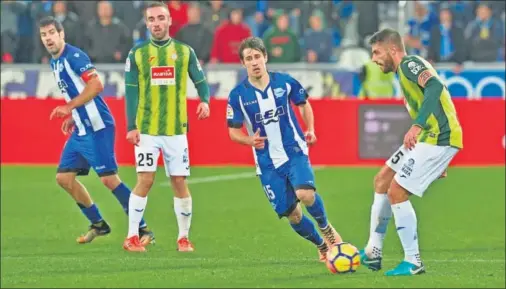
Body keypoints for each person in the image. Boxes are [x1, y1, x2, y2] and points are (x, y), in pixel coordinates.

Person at [227, 36, 343, 262]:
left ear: (265, 57)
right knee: (293, 214)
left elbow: (303, 103)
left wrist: (310, 128)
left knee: (305, 194)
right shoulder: (238, 96)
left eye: (257, 57)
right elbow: (233, 131)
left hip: (294, 150)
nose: (254, 62)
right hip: (267, 163)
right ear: (243, 64)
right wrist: (249, 140)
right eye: (248, 59)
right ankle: (320, 246)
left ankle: (327, 229)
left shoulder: (285, 82)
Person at [40, 16, 154, 245]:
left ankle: (143, 230)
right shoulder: (55, 62)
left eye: (52, 32)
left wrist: (69, 107)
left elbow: (96, 85)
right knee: (64, 178)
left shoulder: (74, 56)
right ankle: (99, 224)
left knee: (109, 180)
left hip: (97, 126)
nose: (48, 38)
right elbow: (77, 92)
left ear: (62, 34)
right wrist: (74, 115)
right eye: (44, 35)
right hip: (81, 127)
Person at [360, 28, 463, 276]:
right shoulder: (404, 70)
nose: (374, 59)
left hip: (438, 137)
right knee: (382, 179)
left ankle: (413, 261)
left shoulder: (408, 64)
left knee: (397, 191)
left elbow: (436, 86)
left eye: (377, 52)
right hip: (430, 136)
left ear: (392, 49)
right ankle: (373, 250)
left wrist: (417, 126)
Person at [123, 2, 211, 253]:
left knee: (179, 181)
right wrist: (131, 126)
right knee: (145, 179)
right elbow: (131, 92)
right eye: (152, 19)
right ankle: (131, 237)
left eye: (161, 18)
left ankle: (183, 238)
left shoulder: (185, 52)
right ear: (147, 23)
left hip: (176, 131)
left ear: (170, 20)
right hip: (147, 130)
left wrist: (205, 101)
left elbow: (200, 79)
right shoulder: (137, 54)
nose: (157, 23)